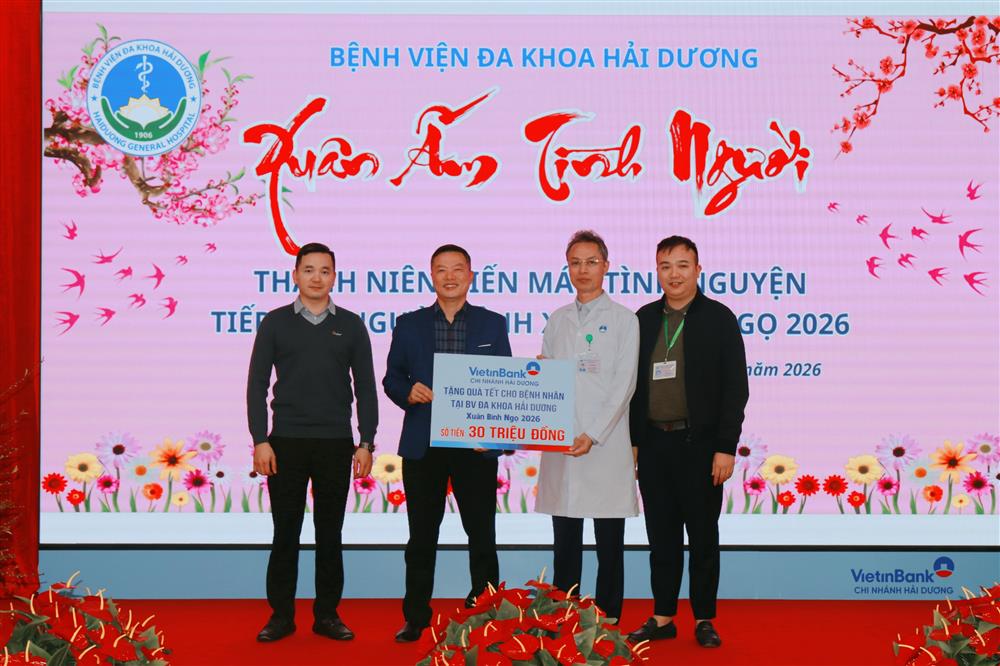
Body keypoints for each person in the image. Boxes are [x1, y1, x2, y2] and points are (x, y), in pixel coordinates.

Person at [247, 242, 378, 643]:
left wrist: (366, 441)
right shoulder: (275, 322)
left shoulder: (352, 325)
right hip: (284, 442)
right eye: (309, 270)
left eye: (324, 271)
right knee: (285, 533)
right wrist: (260, 440)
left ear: (334, 277)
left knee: (330, 534)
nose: (316, 278)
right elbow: (256, 385)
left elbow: (366, 387)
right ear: (295, 275)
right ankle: (281, 617)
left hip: (335, 442)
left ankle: (327, 615)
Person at [382, 244, 512, 642]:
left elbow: (505, 385)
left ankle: (484, 610)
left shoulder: (493, 324)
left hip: (475, 446)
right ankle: (415, 616)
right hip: (424, 445)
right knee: (421, 536)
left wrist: (496, 438)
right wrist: (407, 392)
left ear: (471, 276)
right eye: (441, 269)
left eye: (458, 269)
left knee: (482, 534)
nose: (450, 276)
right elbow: (391, 378)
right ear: (431, 276)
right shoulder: (409, 324)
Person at [626, 235, 748, 649]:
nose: (674, 274)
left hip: (701, 447)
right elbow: (630, 387)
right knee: (660, 537)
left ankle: (704, 618)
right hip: (653, 445)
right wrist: (634, 441)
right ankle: (663, 617)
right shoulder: (643, 319)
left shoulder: (719, 318)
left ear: (698, 270)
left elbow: (735, 388)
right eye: (665, 266)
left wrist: (726, 446)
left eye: (682, 265)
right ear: (656, 271)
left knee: (702, 536)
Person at [535, 230, 639, 625]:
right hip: (562, 442)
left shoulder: (625, 320)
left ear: (606, 266)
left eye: (591, 262)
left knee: (609, 545)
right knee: (565, 542)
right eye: (575, 263)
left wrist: (592, 433)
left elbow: (624, 385)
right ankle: (564, 618)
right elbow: (550, 378)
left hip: (604, 444)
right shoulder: (557, 319)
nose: (583, 270)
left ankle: (608, 622)